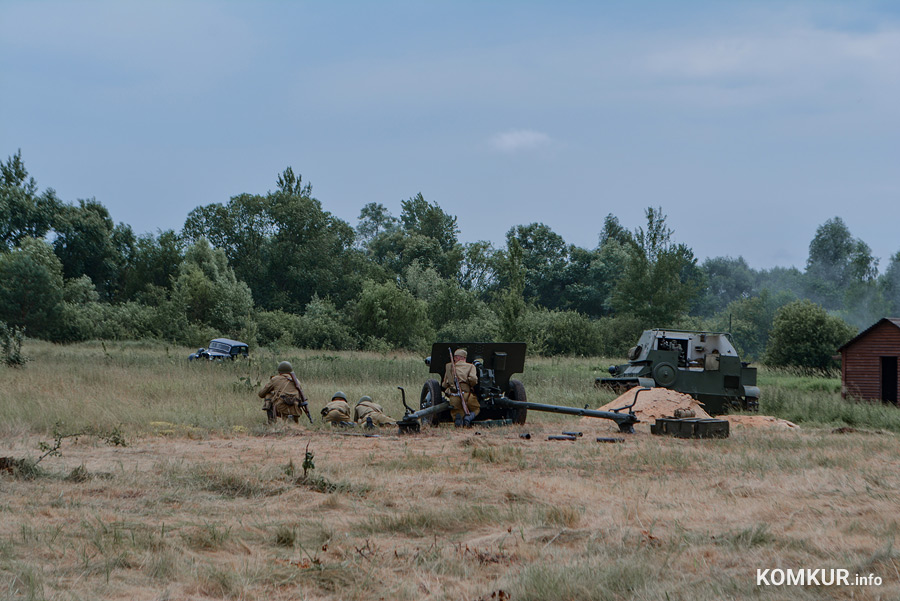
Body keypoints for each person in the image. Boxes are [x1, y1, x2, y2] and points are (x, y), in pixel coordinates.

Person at [442, 348, 479, 427]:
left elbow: (444, 385)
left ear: (457, 358)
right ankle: (468, 418)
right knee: (476, 409)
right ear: (464, 358)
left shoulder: (449, 367)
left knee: (458, 411)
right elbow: (474, 379)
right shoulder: (471, 366)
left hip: (454, 395)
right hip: (467, 395)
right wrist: (470, 384)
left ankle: (458, 419)